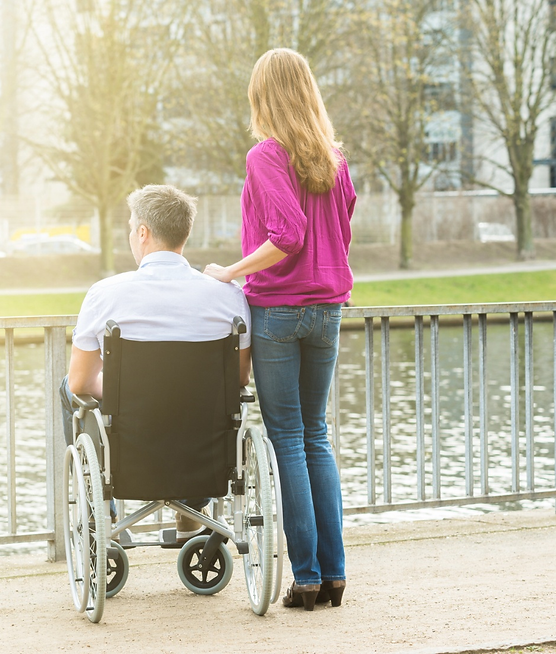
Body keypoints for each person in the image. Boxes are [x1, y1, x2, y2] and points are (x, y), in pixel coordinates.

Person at [204, 48, 353, 611]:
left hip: (280, 309)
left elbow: (287, 235)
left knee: (288, 438)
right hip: (329, 307)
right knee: (316, 436)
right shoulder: (333, 159)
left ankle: (308, 577)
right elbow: (339, 226)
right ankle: (334, 575)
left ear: (262, 96)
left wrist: (230, 272)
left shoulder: (268, 154)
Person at [60, 184, 251, 543]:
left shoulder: (106, 293)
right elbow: (239, 377)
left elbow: (80, 383)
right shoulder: (228, 296)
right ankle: (192, 512)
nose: (131, 234)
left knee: (67, 389)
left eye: (132, 227)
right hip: (201, 443)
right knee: (212, 404)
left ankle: (104, 516)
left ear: (143, 233)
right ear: (185, 232)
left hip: (134, 441)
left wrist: (124, 390)